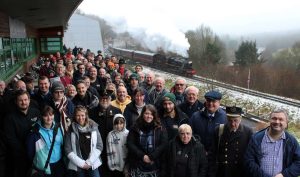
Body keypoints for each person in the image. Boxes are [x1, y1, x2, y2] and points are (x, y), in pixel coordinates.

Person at [244, 108, 300, 177]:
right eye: (274, 118)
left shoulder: (291, 141)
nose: (277, 121)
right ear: (269, 121)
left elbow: (298, 162)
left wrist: (284, 175)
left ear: (286, 123)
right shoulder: (256, 138)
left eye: (281, 119)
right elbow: (249, 161)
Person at [4, 90, 41, 177]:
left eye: (25, 99)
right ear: (16, 102)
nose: (23, 102)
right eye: (20, 100)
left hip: (38, 153)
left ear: (29, 100)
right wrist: (27, 151)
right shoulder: (9, 118)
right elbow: (11, 140)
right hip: (21, 157)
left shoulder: (36, 112)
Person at [211, 106, 253, 177]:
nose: (233, 124)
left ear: (240, 119)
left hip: (239, 172)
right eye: (230, 120)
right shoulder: (219, 130)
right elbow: (212, 153)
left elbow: (250, 156)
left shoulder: (248, 132)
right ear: (226, 119)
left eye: (235, 120)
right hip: (222, 172)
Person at [127, 105, 168, 177]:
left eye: (151, 114)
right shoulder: (135, 127)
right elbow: (130, 143)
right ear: (142, 114)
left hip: (155, 164)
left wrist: (152, 157)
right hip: (138, 163)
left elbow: (164, 144)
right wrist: (143, 156)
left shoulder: (160, 127)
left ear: (154, 115)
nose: (149, 116)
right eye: (146, 113)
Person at [89, 91, 122, 177]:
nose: (104, 100)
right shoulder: (92, 112)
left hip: (113, 145)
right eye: (102, 98)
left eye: (106, 98)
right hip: (98, 146)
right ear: (99, 99)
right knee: (101, 169)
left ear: (110, 99)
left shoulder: (117, 111)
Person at [26, 106, 65, 177]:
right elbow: (30, 152)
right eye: (46, 116)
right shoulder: (35, 132)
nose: (49, 118)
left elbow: (62, 145)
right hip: (44, 166)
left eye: (51, 115)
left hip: (59, 163)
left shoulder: (59, 127)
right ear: (41, 116)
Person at [65, 106, 103, 177]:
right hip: (78, 164)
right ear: (75, 116)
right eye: (78, 115)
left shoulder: (93, 127)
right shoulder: (71, 129)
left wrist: (89, 162)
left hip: (92, 163)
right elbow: (68, 149)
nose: (80, 118)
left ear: (86, 115)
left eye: (82, 115)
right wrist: (82, 164)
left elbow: (99, 145)